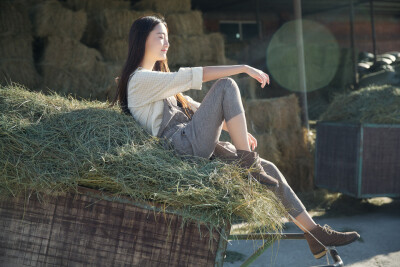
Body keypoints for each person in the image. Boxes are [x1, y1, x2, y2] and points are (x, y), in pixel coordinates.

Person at [110, 14, 360, 259]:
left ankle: (315, 235)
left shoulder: (160, 82)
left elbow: (198, 108)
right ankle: (248, 164)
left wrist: (238, 130)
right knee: (227, 84)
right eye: (161, 37)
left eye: (168, 38)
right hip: (179, 146)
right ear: (143, 39)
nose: (167, 43)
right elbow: (189, 77)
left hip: (192, 142)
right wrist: (242, 68)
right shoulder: (138, 80)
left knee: (269, 168)